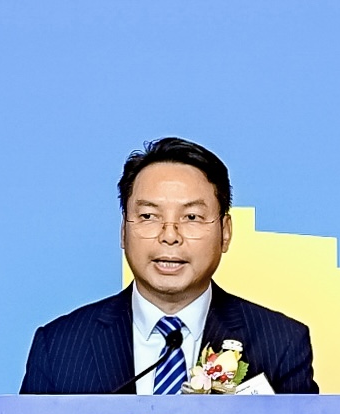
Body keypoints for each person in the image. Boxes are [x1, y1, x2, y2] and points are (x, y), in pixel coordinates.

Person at [21, 138, 318, 394]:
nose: (170, 236)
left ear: (225, 232)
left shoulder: (281, 344)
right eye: (148, 216)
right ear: (123, 230)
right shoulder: (59, 347)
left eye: (191, 217)